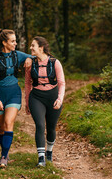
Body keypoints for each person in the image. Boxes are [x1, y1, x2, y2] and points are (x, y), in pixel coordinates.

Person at [0, 29, 32, 168]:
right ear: (4, 43)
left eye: (15, 40)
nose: (15, 43)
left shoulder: (17, 55)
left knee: (8, 123)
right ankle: (5, 152)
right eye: (12, 41)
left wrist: (29, 58)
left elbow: (37, 57)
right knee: (1, 128)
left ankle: (4, 156)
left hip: (14, 93)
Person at [24, 36, 65, 167]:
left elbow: (62, 83)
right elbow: (27, 84)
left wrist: (59, 99)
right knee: (40, 125)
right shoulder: (30, 64)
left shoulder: (55, 63)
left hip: (53, 97)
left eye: (33, 45)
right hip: (36, 97)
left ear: (41, 48)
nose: (30, 48)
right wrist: (27, 103)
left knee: (51, 127)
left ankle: (49, 152)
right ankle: (41, 158)